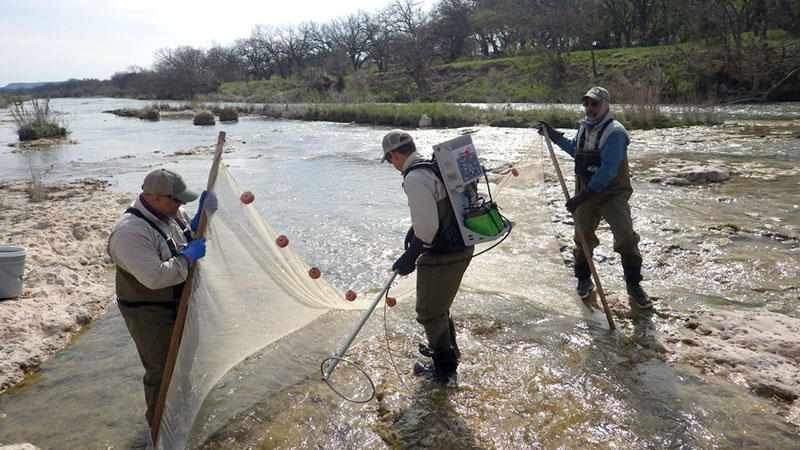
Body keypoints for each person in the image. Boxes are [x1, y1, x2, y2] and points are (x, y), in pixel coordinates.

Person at [107, 168, 216, 426]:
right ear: (154, 198)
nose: (183, 204)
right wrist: (188, 257)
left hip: (180, 304)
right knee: (161, 372)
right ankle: (159, 430)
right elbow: (155, 278)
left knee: (184, 360)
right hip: (150, 313)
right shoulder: (129, 233)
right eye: (177, 199)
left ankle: (183, 411)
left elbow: (185, 237)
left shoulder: (172, 213)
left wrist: (202, 219)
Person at [538, 86, 651, 309]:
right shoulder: (583, 128)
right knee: (582, 238)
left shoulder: (616, 132)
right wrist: (554, 135)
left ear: (605, 105)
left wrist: (583, 195)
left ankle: (634, 286)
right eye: (586, 104)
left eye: (594, 104)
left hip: (612, 194)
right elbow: (575, 150)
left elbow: (608, 170)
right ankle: (583, 280)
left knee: (626, 238)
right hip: (585, 193)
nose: (589, 108)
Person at [381, 129, 475, 382]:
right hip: (463, 243)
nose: (392, 166)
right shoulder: (433, 165)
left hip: (446, 251)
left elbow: (428, 231)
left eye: (389, 160)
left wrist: (410, 257)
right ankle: (448, 350)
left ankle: (444, 368)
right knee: (440, 304)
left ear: (393, 155)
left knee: (428, 311)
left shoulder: (414, 177)